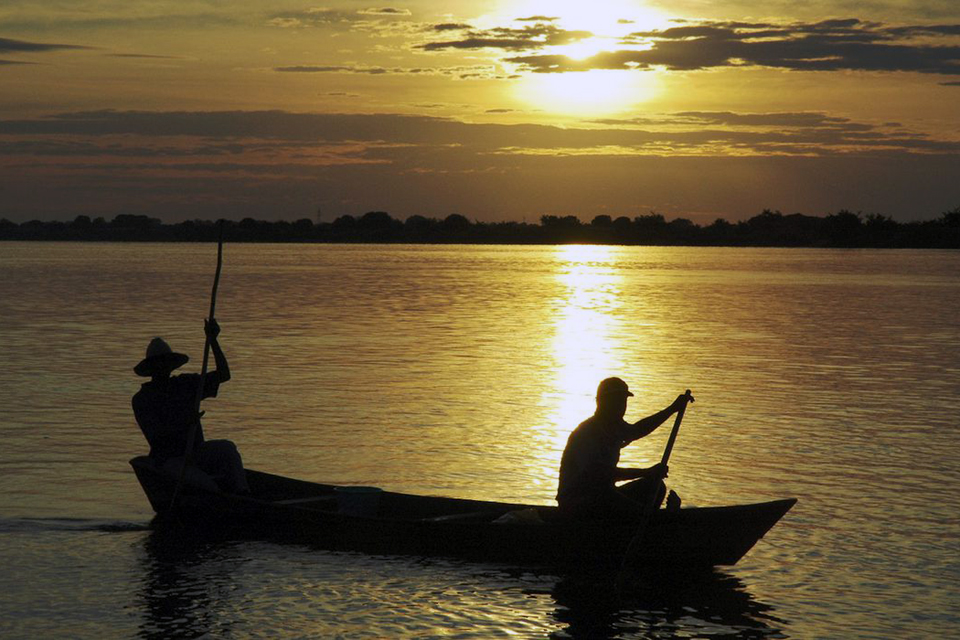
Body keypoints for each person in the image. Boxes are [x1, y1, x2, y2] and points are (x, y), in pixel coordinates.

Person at [132, 318, 249, 494]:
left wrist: (213, 341)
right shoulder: (143, 399)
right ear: (151, 368)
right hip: (169, 460)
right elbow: (156, 435)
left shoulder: (186, 384)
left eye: (166, 362)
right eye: (159, 363)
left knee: (227, 449)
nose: (163, 366)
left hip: (196, 452)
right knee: (207, 487)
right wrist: (184, 421)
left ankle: (243, 494)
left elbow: (223, 374)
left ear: (171, 364)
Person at [556, 377, 690, 520]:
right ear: (602, 402)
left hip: (603, 495)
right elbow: (602, 475)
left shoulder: (615, 427)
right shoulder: (587, 433)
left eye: (623, 401)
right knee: (622, 501)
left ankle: (643, 519)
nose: (621, 406)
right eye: (616, 401)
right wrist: (647, 472)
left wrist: (673, 408)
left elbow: (638, 430)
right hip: (577, 504)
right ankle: (651, 520)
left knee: (654, 486)